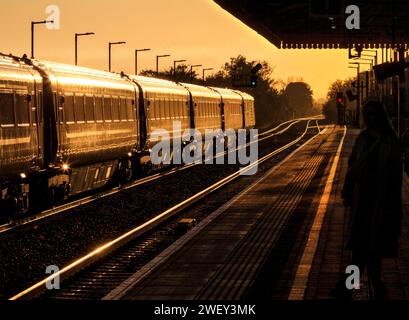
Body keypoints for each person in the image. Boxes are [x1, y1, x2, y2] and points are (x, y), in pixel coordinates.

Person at [335, 100, 403, 300]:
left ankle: (353, 287)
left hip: (382, 201)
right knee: (365, 248)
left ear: (380, 116)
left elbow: (396, 175)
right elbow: (352, 165)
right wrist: (348, 191)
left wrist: (394, 204)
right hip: (363, 199)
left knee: (366, 249)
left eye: (374, 114)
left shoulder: (390, 141)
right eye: (368, 114)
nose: (371, 118)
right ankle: (374, 287)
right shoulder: (364, 138)